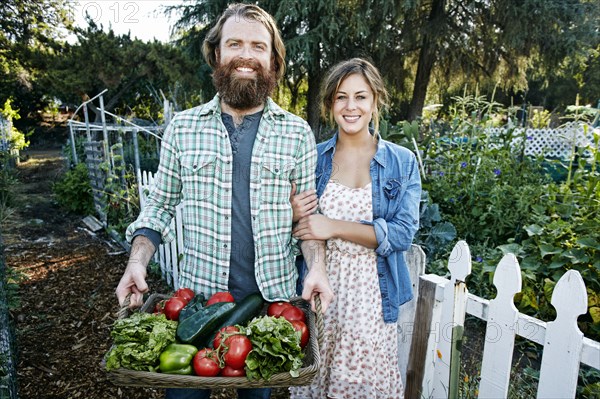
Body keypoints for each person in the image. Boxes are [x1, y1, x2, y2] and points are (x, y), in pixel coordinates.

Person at [114, 4, 334, 399]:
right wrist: (136, 262)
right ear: (217, 54)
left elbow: (308, 220)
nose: (246, 56)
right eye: (234, 44)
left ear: (273, 60)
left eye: (258, 46)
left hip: (270, 309)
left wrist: (315, 267)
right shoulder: (183, 128)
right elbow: (159, 206)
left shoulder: (297, 133)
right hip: (196, 305)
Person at [289, 58, 421, 399]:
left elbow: (402, 234)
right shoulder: (312, 158)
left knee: (359, 383)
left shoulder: (400, 161)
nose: (351, 107)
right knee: (317, 378)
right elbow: (296, 228)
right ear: (330, 104)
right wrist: (291, 214)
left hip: (372, 296)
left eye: (361, 97)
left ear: (375, 101)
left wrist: (331, 225)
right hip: (322, 290)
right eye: (341, 97)